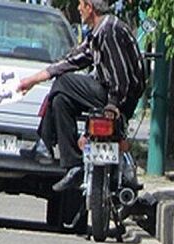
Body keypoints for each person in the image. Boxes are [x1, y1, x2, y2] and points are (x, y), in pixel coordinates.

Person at [17, 0, 145, 192]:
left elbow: (121, 77)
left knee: (64, 82)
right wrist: (32, 80)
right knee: (61, 100)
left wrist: (113, 104)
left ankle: (44, 141)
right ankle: (74, 164)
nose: (78, 9)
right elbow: (71, 61)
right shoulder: (96, 33)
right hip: (109, 94)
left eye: (80, 4)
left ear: (89, 7)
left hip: (120, 98)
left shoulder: (109, 29)